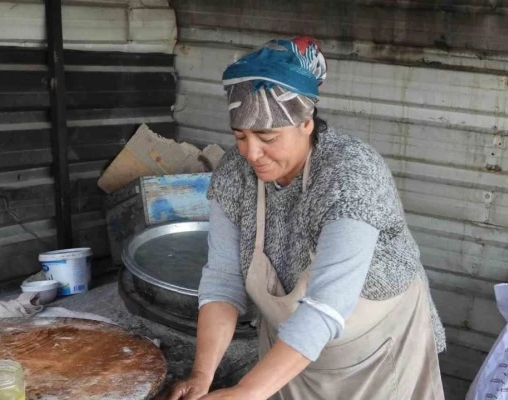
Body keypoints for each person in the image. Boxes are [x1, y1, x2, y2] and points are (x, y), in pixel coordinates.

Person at [157, 37, 446, 400]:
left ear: (306, 123)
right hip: (288, 357)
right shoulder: (235, 174)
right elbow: (222, 280)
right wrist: (202, 374)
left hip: (378, 351)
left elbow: (327, 304)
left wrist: (246, 392)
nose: (252, 153)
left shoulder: (350, 174)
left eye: (267, 136)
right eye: (240, 136)